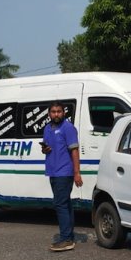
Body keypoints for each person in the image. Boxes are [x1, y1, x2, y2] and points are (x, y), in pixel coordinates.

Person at [41, 101, 82, 252]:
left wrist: (77, 173)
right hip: (52, 171)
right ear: (49, 114)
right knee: (65, 204)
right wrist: (45, 149)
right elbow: (46, 149)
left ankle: (66, 239)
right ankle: (68, 236)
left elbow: (75, 151)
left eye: (59, 111)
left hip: (64, 172)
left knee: (60, 203)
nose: (56, 114)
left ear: (64, 113)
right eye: (53, 112)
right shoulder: (47, 128)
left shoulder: (68, 128)